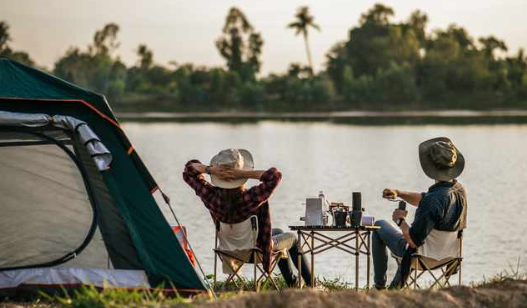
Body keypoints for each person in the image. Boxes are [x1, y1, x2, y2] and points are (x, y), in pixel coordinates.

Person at [182, 148, 313, 287]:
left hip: (228, 252)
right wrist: (242, 173)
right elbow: (275, 176)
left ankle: (293, 282)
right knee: (292, 238)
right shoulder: (251, 197)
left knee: (278, 232)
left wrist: (210, 170)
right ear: (240, 176)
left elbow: (188, 171)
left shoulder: (210, 196)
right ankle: (311, 285)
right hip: (257, 253)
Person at [372, 137, 468, 289]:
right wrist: (399, 193)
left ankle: (379, 287)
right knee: (417, 239)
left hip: (421, 257)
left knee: (379, 226)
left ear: (430, 167)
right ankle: (393, 288)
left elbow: (412, 241)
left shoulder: (433, 200)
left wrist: (400, 220)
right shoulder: (459, 191)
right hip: (448, 257)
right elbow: (425, 200)